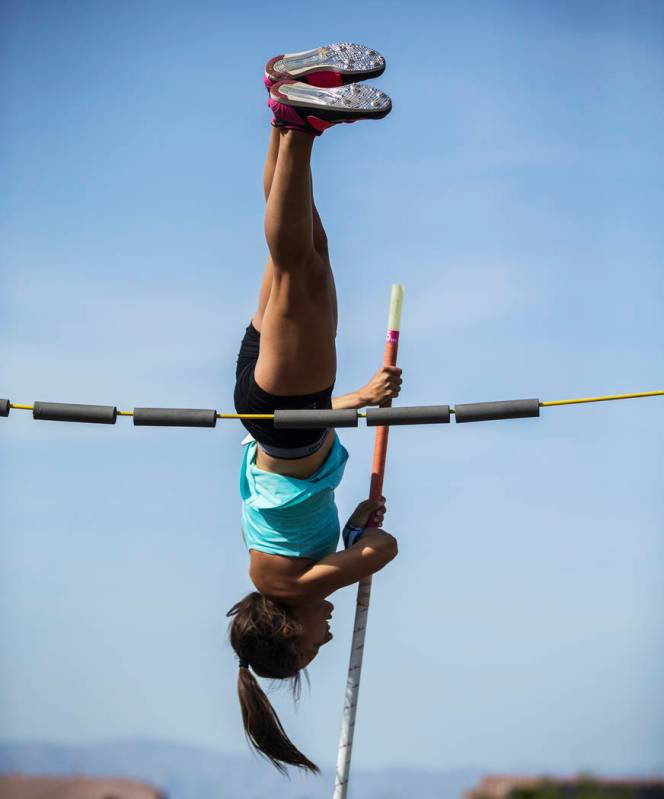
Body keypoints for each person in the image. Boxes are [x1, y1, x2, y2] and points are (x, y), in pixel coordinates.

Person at [227, 43, 400, 774]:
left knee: (300, 265)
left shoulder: (293, 582)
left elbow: (384, 550)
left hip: (290, 414)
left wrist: (351, 555)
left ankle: (297, 119)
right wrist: (353, 402)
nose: (323, 641)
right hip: (277, 413)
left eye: (309, 649)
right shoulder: (273, 571)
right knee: (308, 253)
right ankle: (283, 109)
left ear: (286, 633)